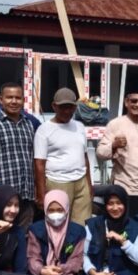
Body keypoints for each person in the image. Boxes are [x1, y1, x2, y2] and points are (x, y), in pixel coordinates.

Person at [0, 82, 36, 228]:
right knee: (0, 236)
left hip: (25, 193)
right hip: (2, 194)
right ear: (1, 99)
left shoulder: (29, 124)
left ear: (23, 100)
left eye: (18, 98)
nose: (14, 101)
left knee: (23, 236)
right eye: (9, 97)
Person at [96, 89, 138, 215]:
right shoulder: (115, 124)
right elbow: (100, 153)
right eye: (134, 101)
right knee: (125, 229)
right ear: (126, 102)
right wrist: (114, 145)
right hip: (123, 188)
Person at [34, 87, 93, 225]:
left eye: (70, 107)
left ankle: (78, 247)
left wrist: (89, 185)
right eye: (62, 107)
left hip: (81, 181)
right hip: (57, 181)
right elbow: (39, 164)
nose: (67, 111)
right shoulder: (44, 130)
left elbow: (84, 157)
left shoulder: (79, 126)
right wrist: (41, 194)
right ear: (54, 106)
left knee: (82, 225)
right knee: (58, 224)